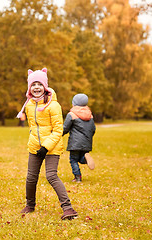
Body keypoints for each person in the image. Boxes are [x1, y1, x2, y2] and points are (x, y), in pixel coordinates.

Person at [17, 68, 78, 220]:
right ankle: (30, 205)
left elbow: (58, 130)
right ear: (29, 87)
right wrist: (36, 144)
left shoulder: (54, 105)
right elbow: (33, 127)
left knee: (51, 176)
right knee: (31, 177)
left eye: (39, 84)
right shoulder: (30, 104)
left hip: (52, 147)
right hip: (35, 147)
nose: (36, 87)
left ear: (45, 86)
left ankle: (68, 208)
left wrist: (46, 146)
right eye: (33, 84)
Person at [63, 93, 96, 183]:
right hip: (87, 141)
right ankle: (85, 158)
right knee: (80, 158)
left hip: (75, 142)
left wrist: (59, 134)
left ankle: (77, 177)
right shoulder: (90, 115)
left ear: (74, 103)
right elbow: (93, 129)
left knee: (73, 160)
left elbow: (65, 128)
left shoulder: (72, 114)